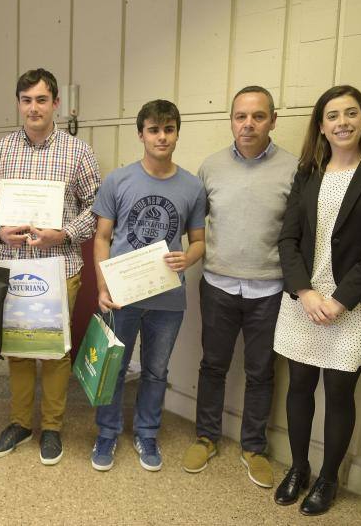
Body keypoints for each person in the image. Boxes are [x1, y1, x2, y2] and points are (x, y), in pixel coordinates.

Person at [272, 85, 361, 516]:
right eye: (332, 116)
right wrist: (305, 291)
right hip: (303, 299)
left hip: (355, 304)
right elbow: (288, 238)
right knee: (298, 387)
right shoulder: (308, 171)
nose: (342, 122)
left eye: (351, 113)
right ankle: (298, 467)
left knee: (339, 391)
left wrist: (340, 300)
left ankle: (329, 478)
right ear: (322, 126)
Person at [0, 68, 101, 465]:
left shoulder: (78, 152)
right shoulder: (0, 151)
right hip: (11, 265)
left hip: (58, 265)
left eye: (41, 100)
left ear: (56, 104)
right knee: (15, 350)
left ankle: (51, 427)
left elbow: (95, 209)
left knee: (53, 352)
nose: (34, 108)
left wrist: (63, 234)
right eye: (26, 100)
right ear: (18, 103)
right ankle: (19, 423)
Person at [182, 86, 298, 488]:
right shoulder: (210, 167)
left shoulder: (294, 169)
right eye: (240, 116)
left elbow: (298, 233)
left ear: (272, 120)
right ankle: (206, 436)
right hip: (217, 285)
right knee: (212, 365)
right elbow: (195, 227)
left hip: (270, 290)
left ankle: (253, 447)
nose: (248, 124)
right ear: (231, 120)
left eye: (258, 116)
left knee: (262, 371)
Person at [91, 100, 206, 472]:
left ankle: (146, 432)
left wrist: (188, 258)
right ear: (141, 134)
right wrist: (102, 287)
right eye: (154, 129)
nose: (162, 136)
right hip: (123, 294)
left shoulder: (192, 186)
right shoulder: (118, 180)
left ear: (176, 133)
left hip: (167, 298)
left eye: (169, 129)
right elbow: (102, 237)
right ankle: (106, 434)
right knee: (114, 367)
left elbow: (199, 241)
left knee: (157, 371)